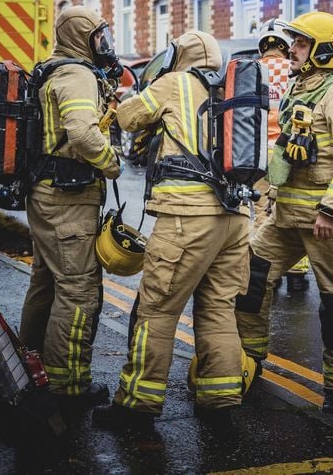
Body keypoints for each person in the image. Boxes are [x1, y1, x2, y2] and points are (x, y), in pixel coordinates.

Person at [92, 31, 251, 429]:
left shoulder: (175, 82)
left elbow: (129, 118)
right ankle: (221, 402)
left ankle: (136, 405)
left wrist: (132, 93)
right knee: (217, 310)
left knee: (157, 310)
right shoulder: (233, 88)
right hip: (235, 218)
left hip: (187, 219)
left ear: (179, 56)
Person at [235, 11, 333, 418]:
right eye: (293, 41)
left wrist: (331, 210)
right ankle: (249, 360)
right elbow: (289, 153)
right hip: (288, 216)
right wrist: (274, 197)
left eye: (301, 43)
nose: (291, 49)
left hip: (329, 223)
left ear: (324, 51)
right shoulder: (299, 86)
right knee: (250, 274)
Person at [18, 5, 122, 405]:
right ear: (82, 38)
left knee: (45, 283)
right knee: (78, 291)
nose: (104, 45)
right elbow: (81, 133)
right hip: (68, 201)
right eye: (98, 37)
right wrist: (110, 163)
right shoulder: (78, 75)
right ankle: (67, 385)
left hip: (44, 195)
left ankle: (30, 367)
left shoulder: (53, 70)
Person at [253, 18, 311, 293]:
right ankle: (297, 275)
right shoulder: (295, 72)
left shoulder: (252, 71)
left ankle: (265, 272)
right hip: (288, 153)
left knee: (261, 210)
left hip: (256, 154)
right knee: (289, 211)